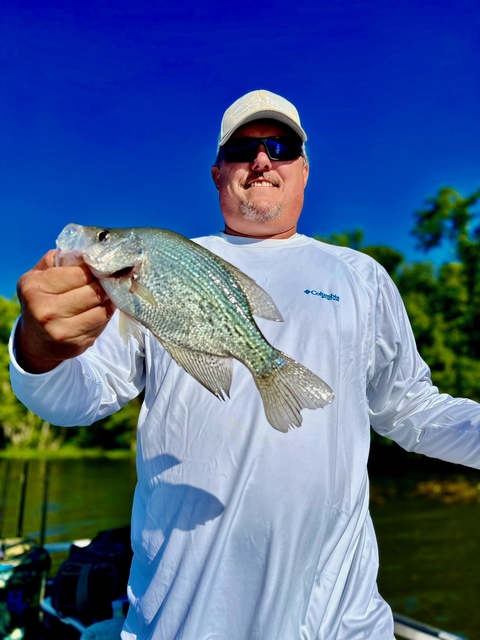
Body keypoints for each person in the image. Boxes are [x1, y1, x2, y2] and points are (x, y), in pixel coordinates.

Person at [9, 89, 480, 640]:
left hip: (337, 622)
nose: (262, 160)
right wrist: (42, 346)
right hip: (184, 620)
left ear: (303, 169)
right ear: (217, 174)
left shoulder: (361, 276)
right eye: (242, 149)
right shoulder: (147, 273)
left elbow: (412, 409)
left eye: (279, 147)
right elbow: (73, 400)